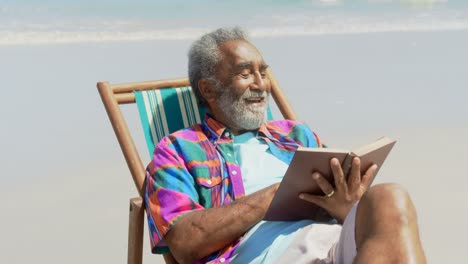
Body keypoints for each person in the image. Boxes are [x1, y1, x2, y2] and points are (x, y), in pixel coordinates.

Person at [144, 27, 426, 264]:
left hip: (332, 244)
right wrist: (275, 196)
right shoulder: (177, 150)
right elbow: (183, 242)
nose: (261, 84)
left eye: (263, 73)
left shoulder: (295, 135)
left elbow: (341, 208)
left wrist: (347, 206)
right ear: (208, 89)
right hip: (265, 255)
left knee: (389, 197)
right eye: (246, 74)